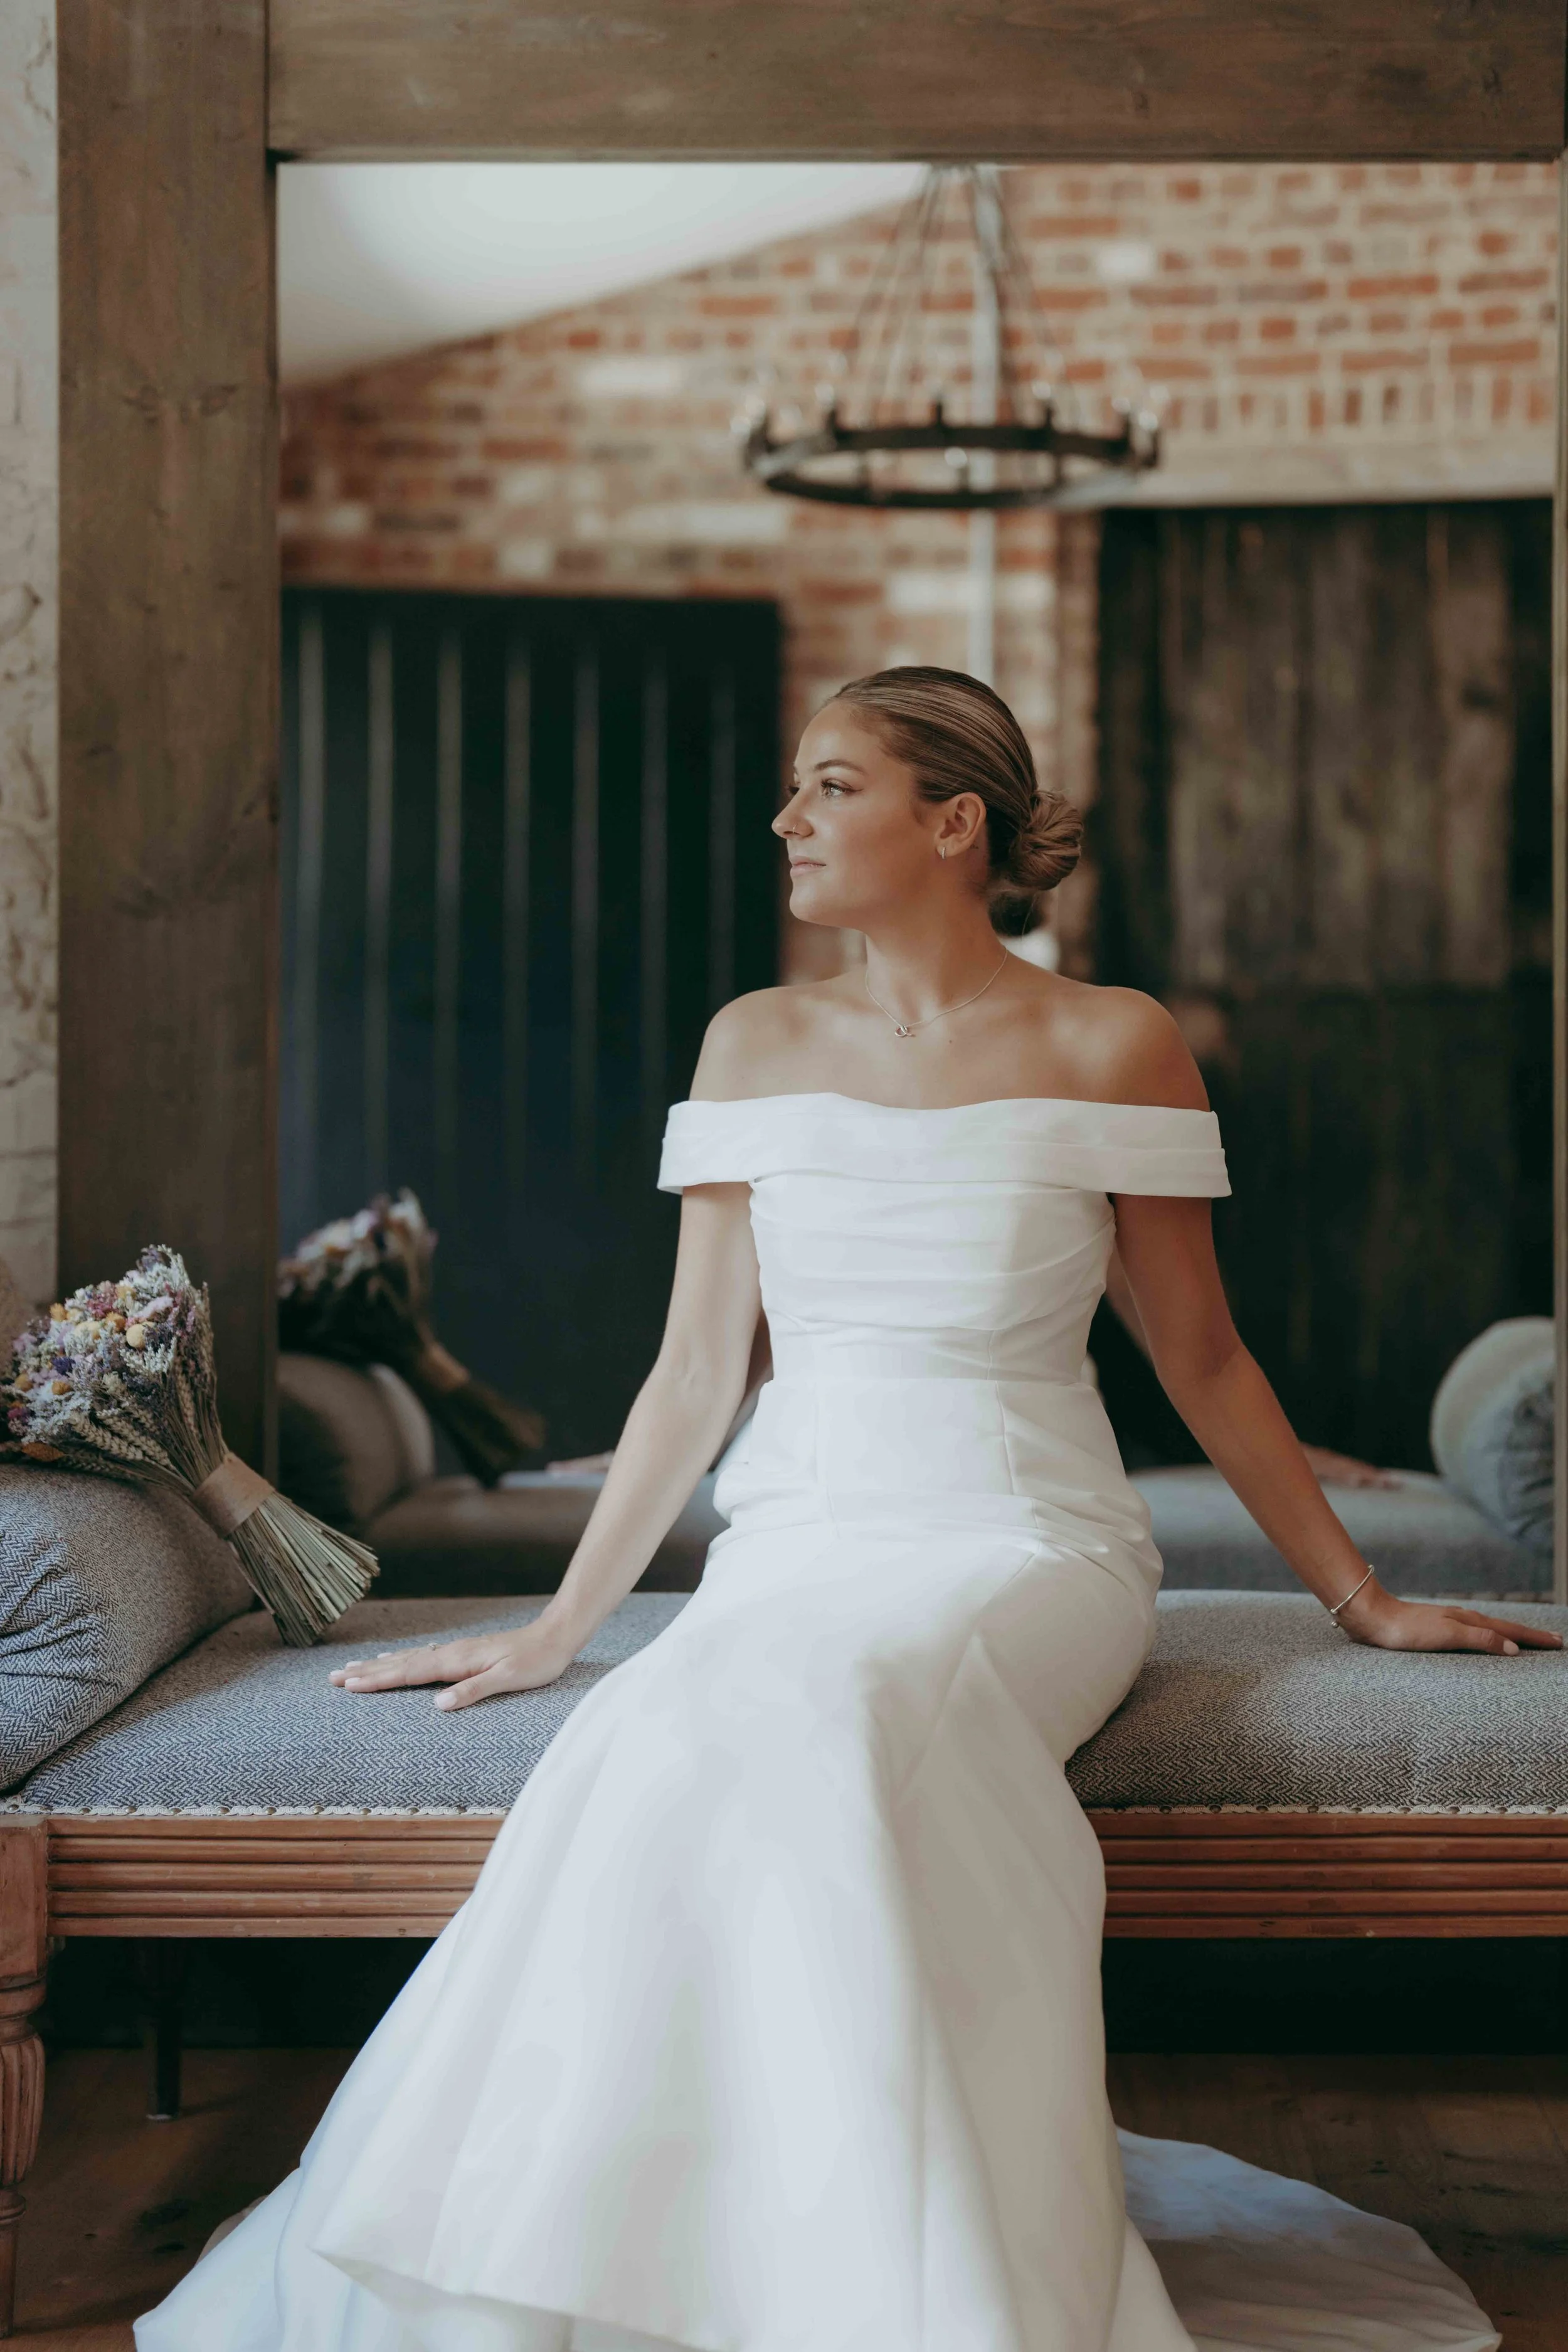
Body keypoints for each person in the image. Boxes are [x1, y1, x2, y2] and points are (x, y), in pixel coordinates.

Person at [138, 667, 1555, 2352]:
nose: (783, 821)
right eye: (794, 792)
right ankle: (671, 2250)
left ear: (952, 823)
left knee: (841, 1699)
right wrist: (560, 1627)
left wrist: (1360, 1596)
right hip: (796, 1545)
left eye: (827, 788)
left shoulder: (1115, 1040)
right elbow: (690, 1377)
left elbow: (1204, 1359)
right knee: (664, 1725)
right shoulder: (753, 1035)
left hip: (1027, 1543)